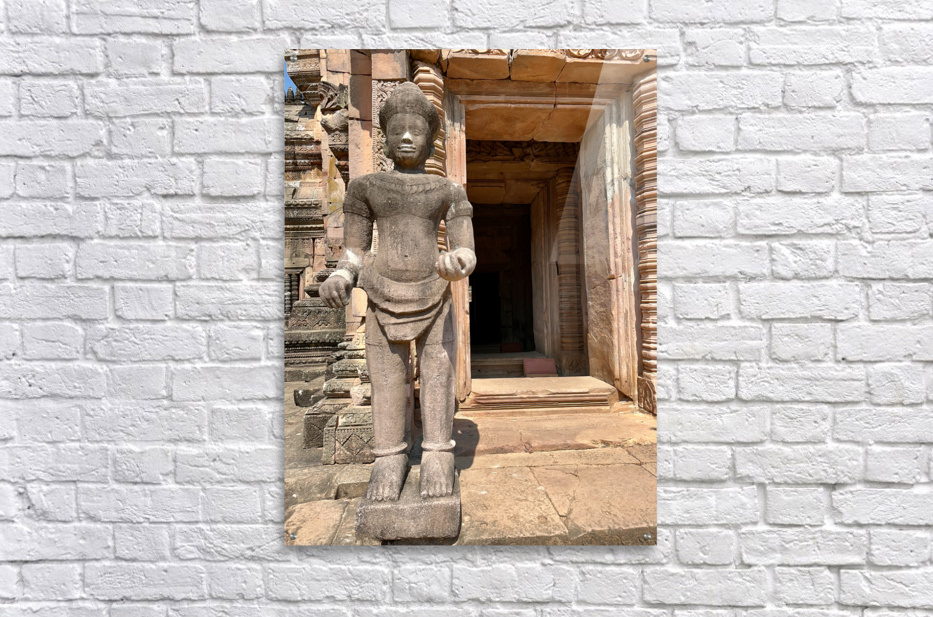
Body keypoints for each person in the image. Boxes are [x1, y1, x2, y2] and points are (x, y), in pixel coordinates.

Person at [319, 82, 476, 501]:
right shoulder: (365, 188)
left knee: (439, 373)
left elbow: (465, 248)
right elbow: (354, 252)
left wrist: (459, 261)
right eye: (397, 130)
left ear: (431, 140)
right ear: (384, 139)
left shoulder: (448, 191)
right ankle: (388, 458)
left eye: (416, 130)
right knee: (386, 376)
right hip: (381, 291)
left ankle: (438, 452)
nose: (407, 137)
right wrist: (341, 275)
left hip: (434, 292)